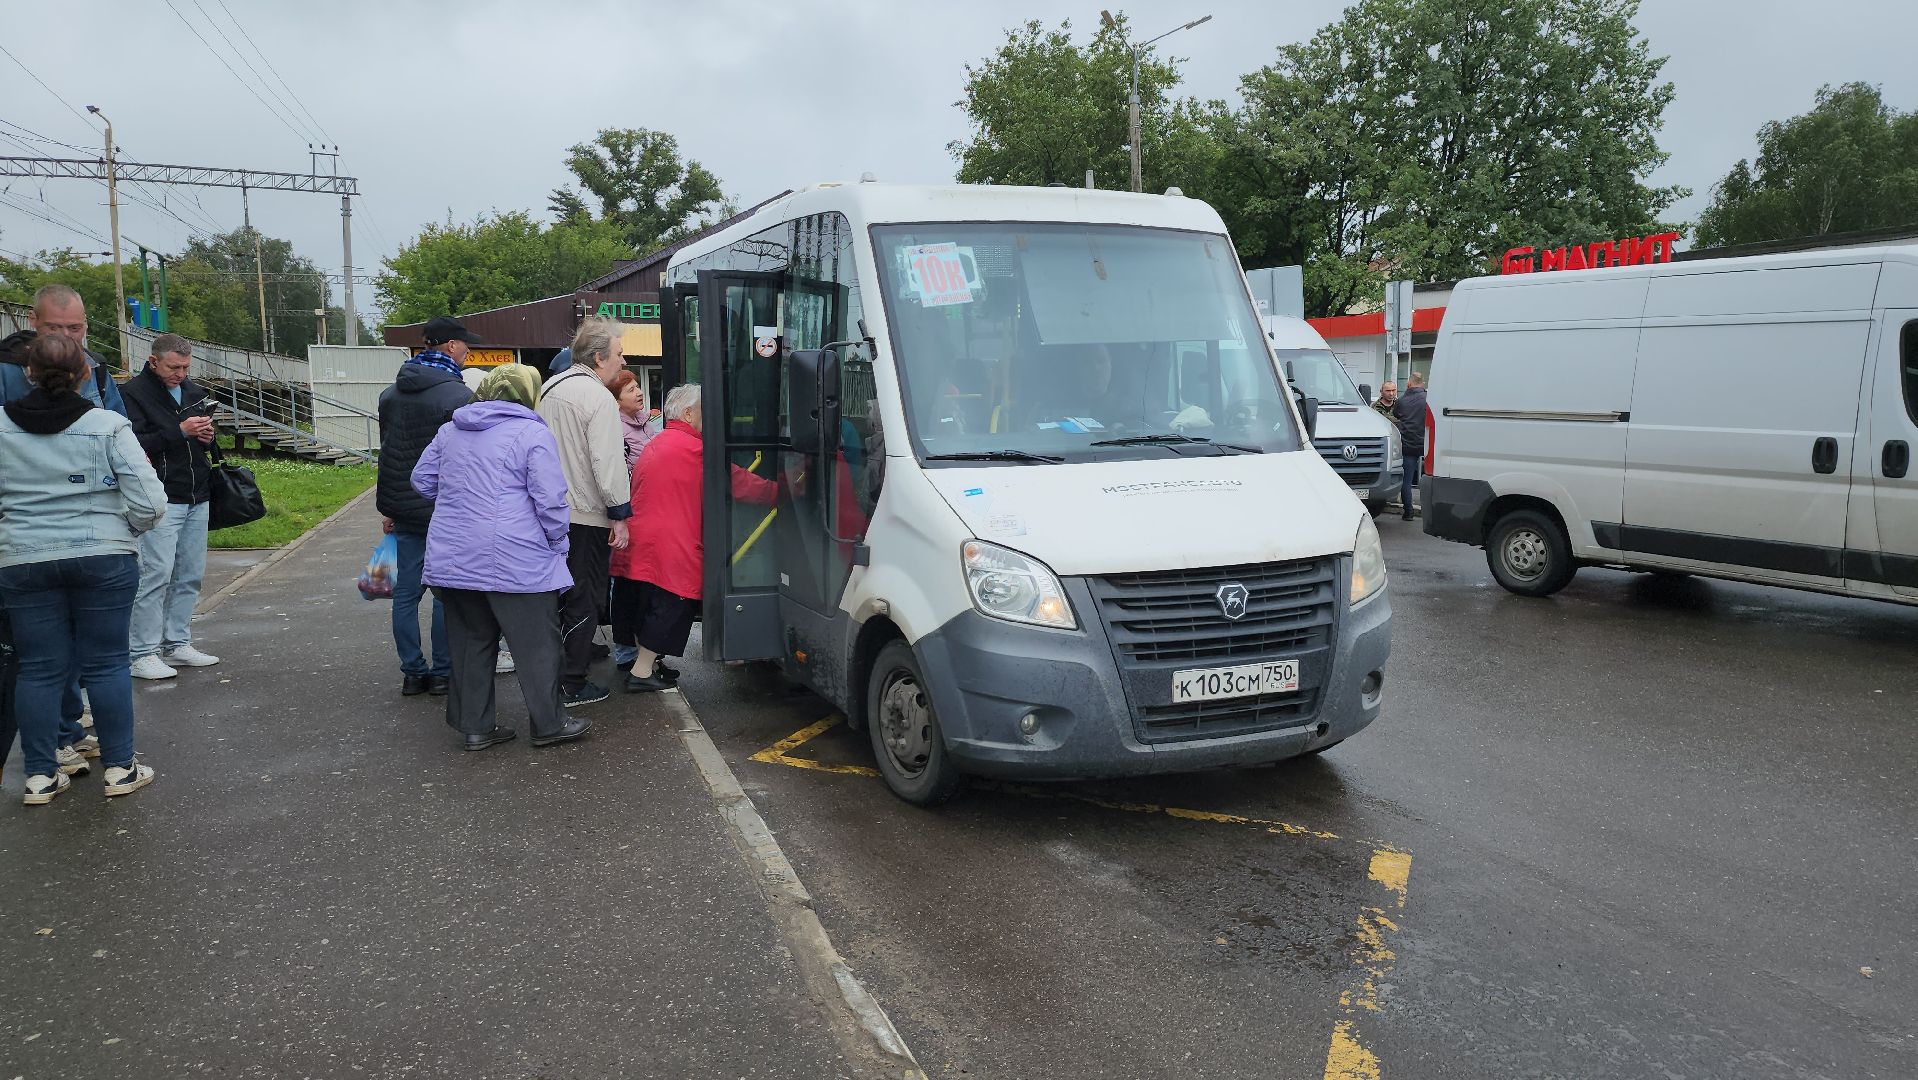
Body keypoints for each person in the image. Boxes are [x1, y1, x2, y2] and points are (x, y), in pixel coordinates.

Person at [0, 333, 165, 805]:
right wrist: (127, 531)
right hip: (103, 558)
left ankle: (40, 776)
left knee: (38, 668)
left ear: (28, 372)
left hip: (24, 560)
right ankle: (120, 767)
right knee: (107, 662)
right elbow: (151, 500)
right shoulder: (107, 425)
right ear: (85, 374)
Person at [412, 365, 589, 751]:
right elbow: (551, 501)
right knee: (537, 646)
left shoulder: (450, 431)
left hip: (455, 561)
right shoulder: (532, 433)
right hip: (518, 560)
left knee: (470, 644)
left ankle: (475, 728)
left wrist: (460, 504)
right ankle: (549, 724)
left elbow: (421, 481)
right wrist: (558, 543)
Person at [1, 283, 130, 759]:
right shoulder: (6, 369)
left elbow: (121, 425)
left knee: (58, 657)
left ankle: (61, 741)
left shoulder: (94, 368)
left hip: (44, 543)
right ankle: (65, 744)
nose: (68, 337)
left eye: (75, 328)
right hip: (57, 536)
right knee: (52, 660)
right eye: (56, 328)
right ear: (34, 323)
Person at [611, 384, 775, 692]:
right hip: (670, 546)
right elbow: (739, 483)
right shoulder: (695, 450)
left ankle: (648, 665)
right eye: (704, 411)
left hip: (643, 541)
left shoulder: (659, 442)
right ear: (688, 413)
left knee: (648, 605)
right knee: (672, 605)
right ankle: (643, 672)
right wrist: (783, 491)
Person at [377, 316, 476, 696]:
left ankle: (412, 672)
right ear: (451, 346)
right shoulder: (458, 397)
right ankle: (443, 672)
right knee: (444, 593)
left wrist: (388, 507)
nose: (469, 351)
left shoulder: (390, 395)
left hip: (402, 506)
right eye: (465, 344)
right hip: (444, 508)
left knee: (404, 595)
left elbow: (388, 455)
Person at [538, 318, 634, 708]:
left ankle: (556, 668)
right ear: (599, 357)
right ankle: (573, 681)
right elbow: (607, 462)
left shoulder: (550, 388)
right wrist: (620, 514)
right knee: (586, 596)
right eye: (619, 353)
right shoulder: (597, 398)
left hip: (548, 511)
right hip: (585, 512)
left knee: (557, 596)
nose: (623, 358)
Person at [121, 333, 220, 680]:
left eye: (185, 367)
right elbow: (131, 445)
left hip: (197, 492)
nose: (180, 373)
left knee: (189, 574)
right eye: (173, 367)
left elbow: (203, 441)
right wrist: (179, 431)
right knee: (155, 574)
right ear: (153, 362)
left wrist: (208, 436)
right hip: (160, 497)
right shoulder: (133, 394)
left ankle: (177, 642)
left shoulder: (193, 392)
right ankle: (141, 652)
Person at [1391, 372, 1428, 520]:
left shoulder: (1402, 400)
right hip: (1427, 444)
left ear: (1408, 384)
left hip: (1408, 445)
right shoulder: (1429, 399)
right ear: (1423, 384)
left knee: (1406, 480)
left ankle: (1409, 512)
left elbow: (1396, 414)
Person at [611, 369, 662, 470]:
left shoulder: (643, 419)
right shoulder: (616, 429)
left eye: (637, 387)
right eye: (631, 390)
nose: (640, 393)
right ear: (616, 400)